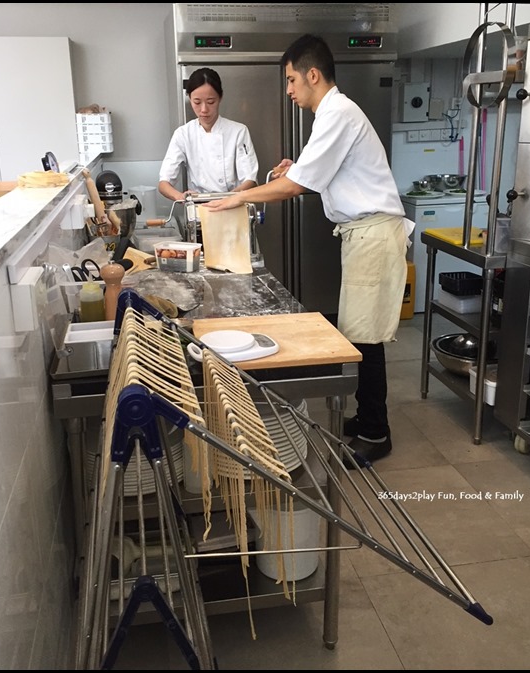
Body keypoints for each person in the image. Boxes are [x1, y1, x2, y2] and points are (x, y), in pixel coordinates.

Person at [203, 34, 414, 465]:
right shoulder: (334, 115)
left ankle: (376, 433)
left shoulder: (337, 113)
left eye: (291, 80)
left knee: (366, 338)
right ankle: (366, 416)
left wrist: (242, 197)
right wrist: (292, 167)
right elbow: (312, 172)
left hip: (373, 234)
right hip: (363, 234)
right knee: (359, 331)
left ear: (312, 75)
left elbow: (299, 186)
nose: (288, 90)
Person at [158, 67, 259, 201]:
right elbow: (164, 183)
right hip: (198, 207)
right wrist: (180, 196)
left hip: (233, 206)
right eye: (197, 102)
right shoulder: (183, 134)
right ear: (189, 98)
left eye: (211, 102)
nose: (204, 109)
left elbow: (250, 180)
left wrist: (228, 199)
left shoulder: (238, 131)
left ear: (220, 97)